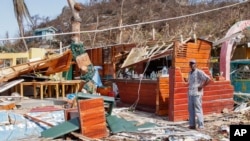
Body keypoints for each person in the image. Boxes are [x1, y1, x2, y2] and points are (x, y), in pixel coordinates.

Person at [186, 59, 210, 130]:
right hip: (191, 93)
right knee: (191, 110)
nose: (192, 65)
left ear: (196, 64)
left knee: (198, 109)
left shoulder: (199, 72)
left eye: (193, 63)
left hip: (197, 94)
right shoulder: (189, 73)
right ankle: (192, 125)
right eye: (191, 64)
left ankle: (201, 125)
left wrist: (202, 86)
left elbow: (208, 79)